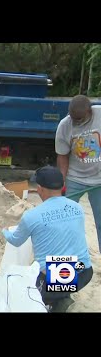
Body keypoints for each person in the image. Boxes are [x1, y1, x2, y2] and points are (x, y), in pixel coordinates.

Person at [2, 166, 93, 312]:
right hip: (84, 270)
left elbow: (15, 240)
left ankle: (58, 302)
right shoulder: (77, 208)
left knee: (28, 293)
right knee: (63, 271)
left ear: (40, 189)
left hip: (62, 276)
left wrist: (4, 231)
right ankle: (61, 294)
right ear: (62, 186)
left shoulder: (32, 216)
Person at [56, 95, 101, 252]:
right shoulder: (65, 125)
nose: (76, 123)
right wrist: (61, 181)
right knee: (63, 220)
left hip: (99, 181)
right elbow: (62, 155)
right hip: (75, 179)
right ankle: (64, 256)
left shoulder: (100, 114)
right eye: (74, 119)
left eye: (80, 119)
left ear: (89, 111)